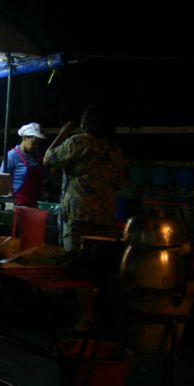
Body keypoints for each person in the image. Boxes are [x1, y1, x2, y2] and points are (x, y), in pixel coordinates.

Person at [43, 105, 127, 332]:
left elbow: (48, 159)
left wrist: (62, 133)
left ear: (85, 124)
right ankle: (103, 317)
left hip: (79, 215)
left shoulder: (79, 142)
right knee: (100, 267)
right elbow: (119, 183)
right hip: (105, 216)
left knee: (79, 267)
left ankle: (86, 319)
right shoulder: (115, 151)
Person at [0, 122, 48, 207]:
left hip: (35, 203)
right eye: (35, 142)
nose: (37, 146)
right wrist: (9, 201)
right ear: (25, 137)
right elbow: (1, 180)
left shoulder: (36, 156)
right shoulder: (12, 155)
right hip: (19, 204)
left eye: (39, 143)